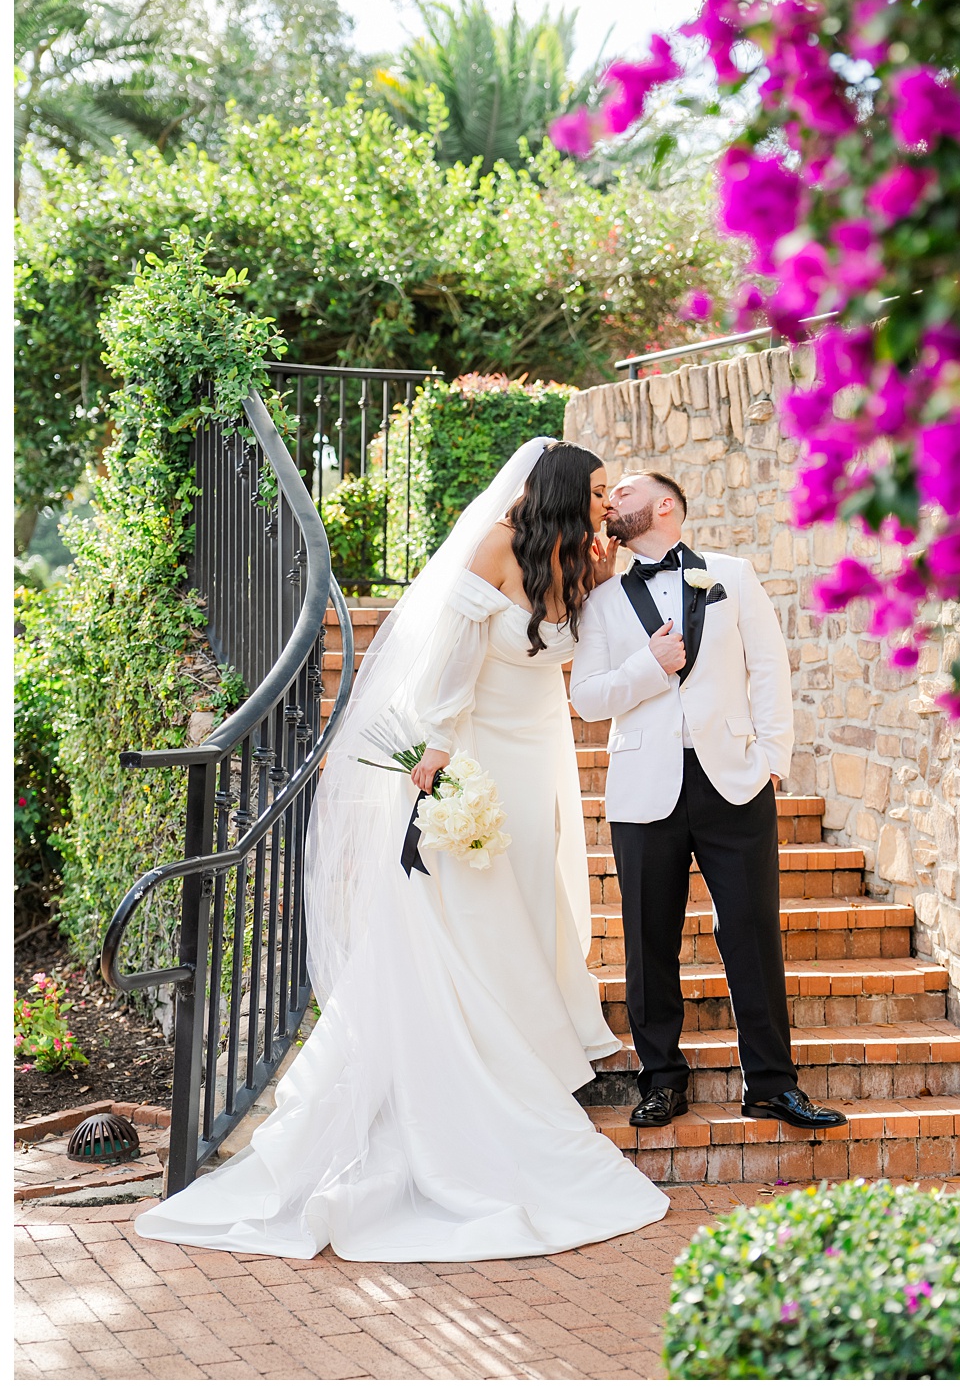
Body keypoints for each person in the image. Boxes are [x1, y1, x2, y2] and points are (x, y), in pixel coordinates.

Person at [134, 439, 668, 1261]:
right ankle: (479, 1074)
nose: (606, 502)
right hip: (478, 751)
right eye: (597, 490)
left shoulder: (578, 559)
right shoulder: (496, 542)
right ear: (562, 489)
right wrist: (438, 760)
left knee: (531, 900)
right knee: (469, 913)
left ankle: (533, 1047)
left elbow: (584, 652)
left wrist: (617, 546)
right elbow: (449, 665)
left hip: (541, 757)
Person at [570, 471, 846, 1133]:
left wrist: (772, 761)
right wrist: (649, 665)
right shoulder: (603, 602)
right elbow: (587, 699)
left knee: (751, 935)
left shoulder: (732, 575)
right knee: (648, 941)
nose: (613, 500)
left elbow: (768, 668)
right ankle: (662, 1081)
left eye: (626, 491)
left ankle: (772, 1086)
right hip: (644, 789)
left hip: (734, 781)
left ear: (666, 505)